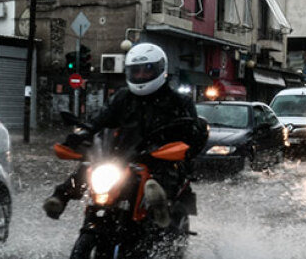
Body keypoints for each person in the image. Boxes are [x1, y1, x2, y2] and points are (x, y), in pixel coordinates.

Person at [43, 42, 204, 225]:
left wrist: (188, 144)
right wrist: (81, 135)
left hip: (160, 159)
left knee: (163, 176)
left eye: (147, 70)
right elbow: (100, 120)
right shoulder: (123, 97)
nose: (141, 75)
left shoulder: (179, 102)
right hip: (124, 156)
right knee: (91, 166)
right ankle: (59, 198)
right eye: (136, 71)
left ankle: (160, 207)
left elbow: (194, 135)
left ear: (160, 69)